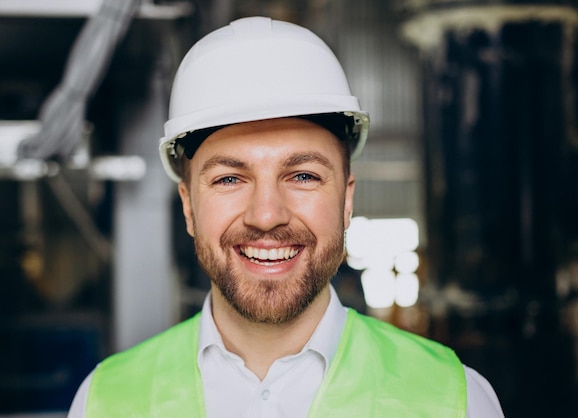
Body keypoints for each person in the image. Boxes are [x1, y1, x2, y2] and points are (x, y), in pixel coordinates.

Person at [68, 16, 504, 417]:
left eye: (302, 175)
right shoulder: (104, 401)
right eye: (229, 180)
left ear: (347, 200)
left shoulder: (456, 399)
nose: (266, 215)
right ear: (188, 206)